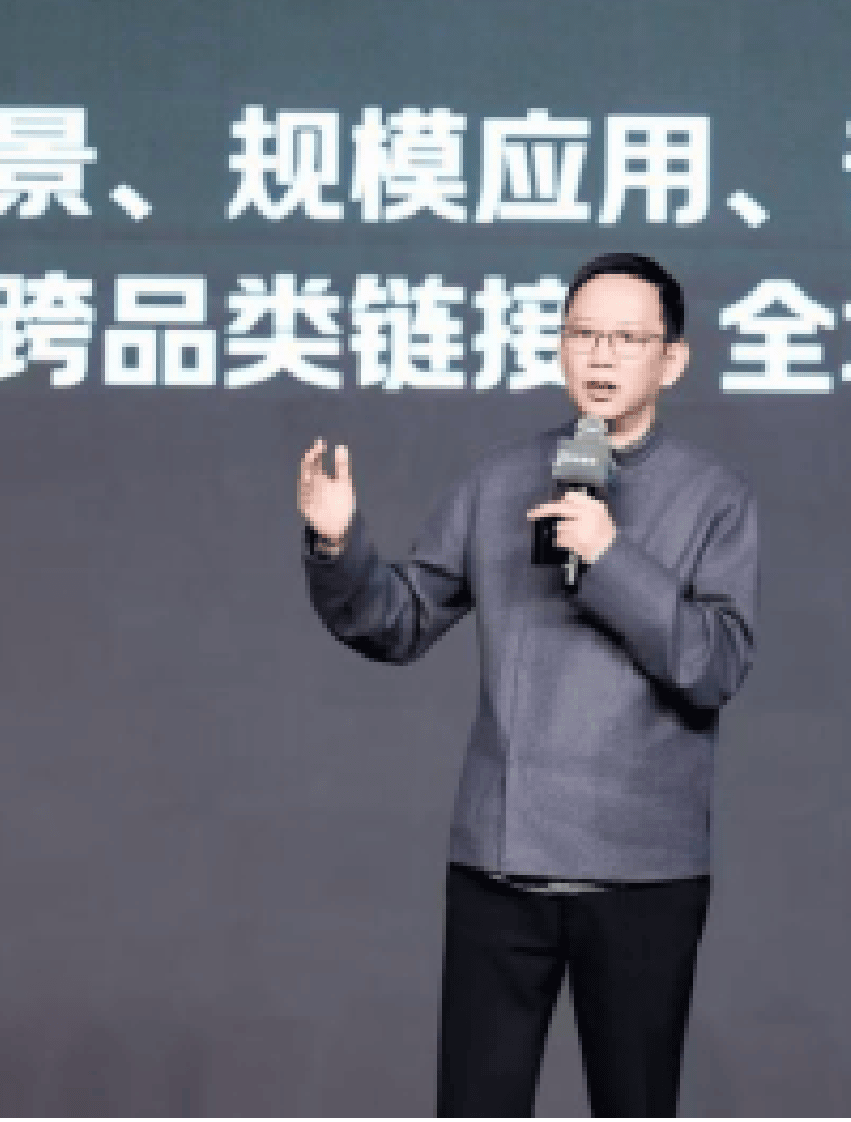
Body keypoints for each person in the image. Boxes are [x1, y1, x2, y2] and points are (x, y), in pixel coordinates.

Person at [297, 251, 760, 1118]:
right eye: (583, 333)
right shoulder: (500, 480)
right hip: (500, 864)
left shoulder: (713, 497)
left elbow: (715, 664)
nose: (601, 354)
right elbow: (398, 620)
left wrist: (610, 555)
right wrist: (336, 544)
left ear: (672, 360)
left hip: (641, 873)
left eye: (627, 338)